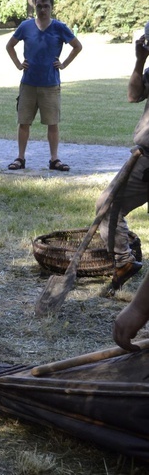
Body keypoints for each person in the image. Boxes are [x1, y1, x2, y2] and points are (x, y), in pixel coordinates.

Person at [96, 30, 149, 294]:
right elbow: (133, 95)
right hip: (144, 157)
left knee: (107, 205)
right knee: (106, 205)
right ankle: (124, 260)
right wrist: (140, 61)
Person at [6, 0, 82, 172]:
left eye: (46, 6)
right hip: (28, 83)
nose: (42, 10)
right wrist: (18, 64)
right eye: (39, 6)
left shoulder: (59, 27)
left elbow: (77, 46)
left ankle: (54, 159)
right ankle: (20, 158)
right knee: (24, 122)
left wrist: (63, 64)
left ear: (51, 7)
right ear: (35, 6)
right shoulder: (25, 26)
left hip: (50, 84)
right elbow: (9, 46)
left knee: (52, 123)